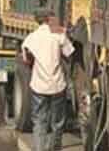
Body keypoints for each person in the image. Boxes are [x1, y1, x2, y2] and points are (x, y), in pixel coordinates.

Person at [21, 9, 75, 151]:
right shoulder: (58, 35)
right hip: (57, 85)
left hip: (38, 86)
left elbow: (26, 60)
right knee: (57, 122)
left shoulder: (31, 38)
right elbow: (69, 54)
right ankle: (55, 148)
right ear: (49, 19)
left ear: (37, 20)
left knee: (39, 121)